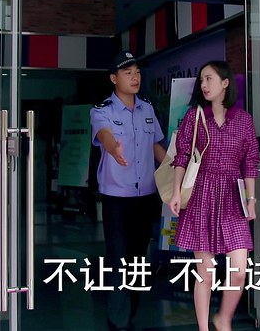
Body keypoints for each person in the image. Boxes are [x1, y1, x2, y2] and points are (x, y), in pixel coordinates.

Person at [168, 61, 259, 331]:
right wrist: (176, 192)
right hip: (202, 194)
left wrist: (251, 200)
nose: (204, 85)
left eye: (209, 79)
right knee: (205, 272)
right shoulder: (194, 117)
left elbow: (250, 162)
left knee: (239, 269)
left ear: (225, 82)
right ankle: (204, 328)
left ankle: (223, 318)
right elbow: (182, 157)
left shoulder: (243, 120)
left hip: (233, 195)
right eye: (202, 80)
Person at [90, 50, 166, 331]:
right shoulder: (102, 110)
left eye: (137, 73)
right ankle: (118, 322)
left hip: (145, 197)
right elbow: (105, 136)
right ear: (114, 78)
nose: (135, 78)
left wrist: (177, 170)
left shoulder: (147, 109)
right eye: (127, 73)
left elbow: (156, 146)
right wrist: (114, 149)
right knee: (119, 258)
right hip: (117, 199)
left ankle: (129, 313)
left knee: (137, 259)